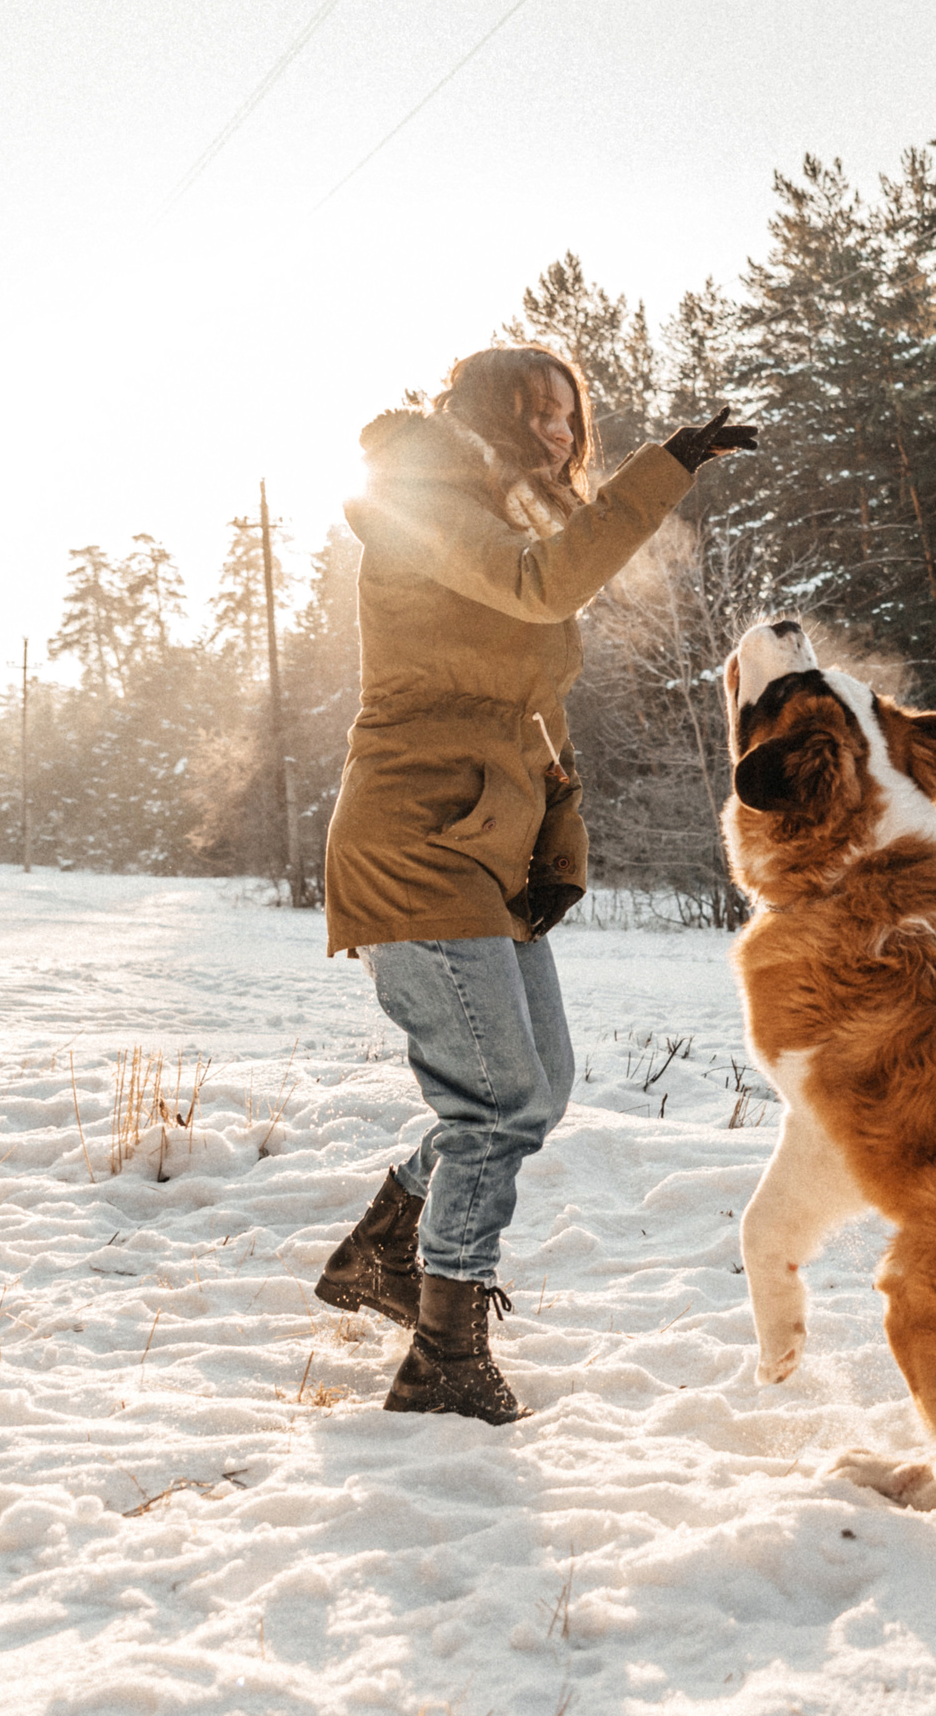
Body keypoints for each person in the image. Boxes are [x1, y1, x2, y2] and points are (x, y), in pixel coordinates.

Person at [314, 344, 757, 1422]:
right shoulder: (424, 500)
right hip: (415, 837)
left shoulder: (508, 524)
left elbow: (536, 721)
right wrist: (665, 468)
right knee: (497, 1103)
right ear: (482, 415)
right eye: (537, 413)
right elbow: (545, 582)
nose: (560, 435)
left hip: (485, 840)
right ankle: (443, 1357)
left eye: (570, 417)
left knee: (538, 1090)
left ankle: (385, 1246)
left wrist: (560, 849)